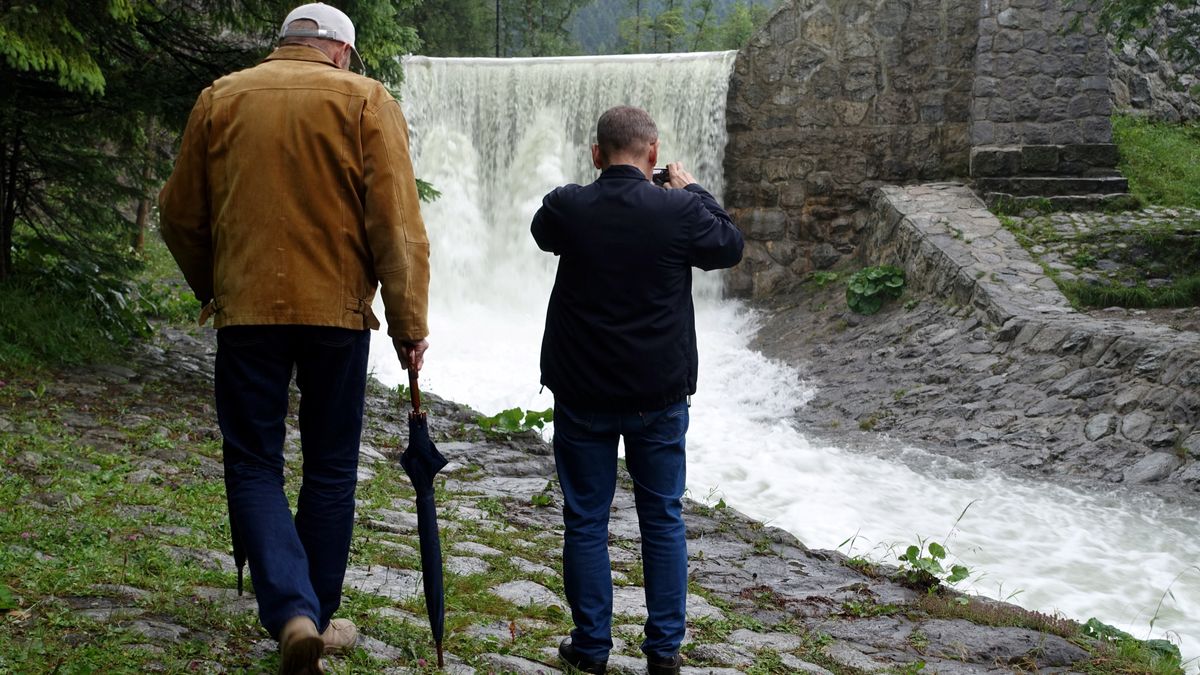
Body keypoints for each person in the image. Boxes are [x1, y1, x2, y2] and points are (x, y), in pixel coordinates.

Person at [158, 4, 430, 673]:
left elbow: (178, 214)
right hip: (337, 315)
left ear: (285, 45)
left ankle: (293, 612)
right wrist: (409, 325)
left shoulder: (220, 98)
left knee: (253, 460)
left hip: (248, 311)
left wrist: (215, 284)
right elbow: (393, 225)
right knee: (331, 465)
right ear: (341, 51)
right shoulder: (367, 100)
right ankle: (314, 614)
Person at [531, 106, 743, 675]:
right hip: (659, 395)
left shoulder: (570, 206)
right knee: (662, 516)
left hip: (583, 394)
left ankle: (592, 648)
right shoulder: (678, 210)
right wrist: (692, 187)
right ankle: (664, 651)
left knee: (585, 518)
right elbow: (728, 245)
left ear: (596, 154)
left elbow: (542, 228)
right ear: (653, 155)